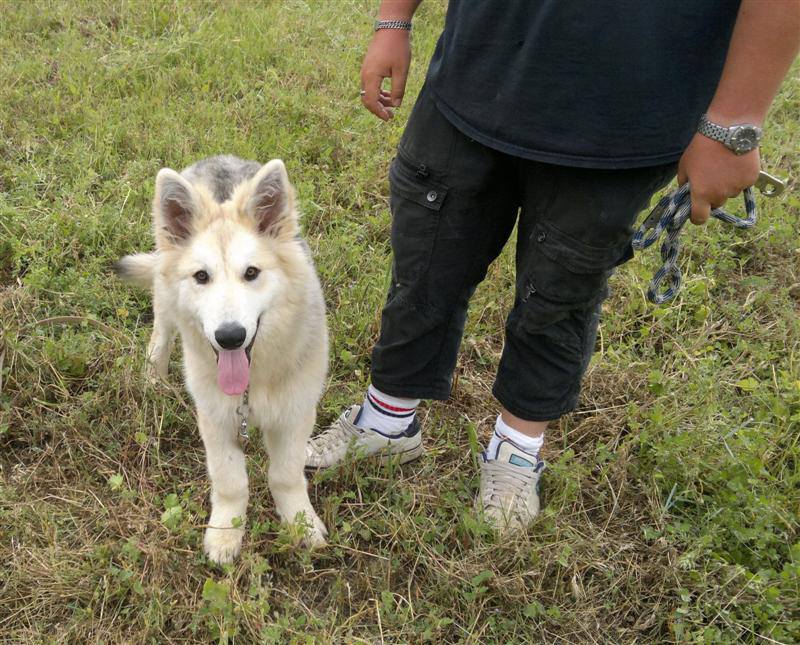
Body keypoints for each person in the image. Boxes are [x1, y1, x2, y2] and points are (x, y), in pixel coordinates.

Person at [306, 0, 800, 530]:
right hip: (476, 72)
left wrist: (735, 123)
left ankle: (517, 450)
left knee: (561, 289)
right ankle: (386, 422)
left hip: (630, 108)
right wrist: (394, 21)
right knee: (427, 256)